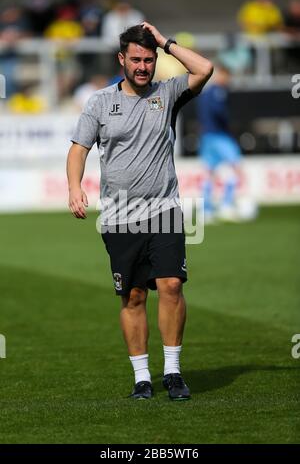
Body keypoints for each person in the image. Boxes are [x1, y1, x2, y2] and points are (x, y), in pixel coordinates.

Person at [67, 22, 213, 400]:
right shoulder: (99, 103)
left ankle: (173, 372)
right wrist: (74, 187)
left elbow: (204, 69)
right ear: (122, 60)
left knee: (171, 285)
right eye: (136, 59)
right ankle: (142, 378)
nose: (143, 67)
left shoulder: (168, 94)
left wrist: (167, 43)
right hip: (118, 216)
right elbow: (78, 149)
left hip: (164, 210)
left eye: (149, 59)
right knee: (132, 297)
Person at [196, 64, 242, 223]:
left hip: (206, 136)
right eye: (227, 76)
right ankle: (226, 205)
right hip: (219, 136)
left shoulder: (206, 92)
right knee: (236, 167)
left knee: (209, 172)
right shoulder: (218, 92)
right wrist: (228, 123)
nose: (228, 80)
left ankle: (206, 210)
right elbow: (218, 111)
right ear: (221, 75)